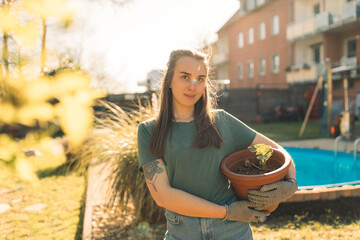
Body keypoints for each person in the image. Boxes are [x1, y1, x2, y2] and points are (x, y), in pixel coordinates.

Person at [137, 49, 297, 240]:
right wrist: (226, 212)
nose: (193, 85)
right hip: (183, 232)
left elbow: (277, 151)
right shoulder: (149, 131)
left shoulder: (222, 121)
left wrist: (291, 184)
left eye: (200, 79)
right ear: (169, 80)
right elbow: (163, 195)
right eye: (185, 77)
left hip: (232, 231)